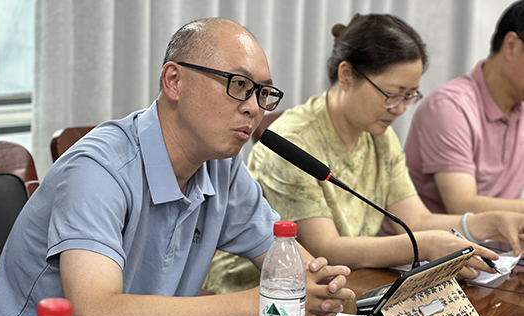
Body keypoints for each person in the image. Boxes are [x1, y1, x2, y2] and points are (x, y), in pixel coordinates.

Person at [0, 18, 355, 316]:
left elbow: (292, 265)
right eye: (239, 86)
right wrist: (258, 302)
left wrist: (327, 291)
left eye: (263, 93)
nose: (254, 108)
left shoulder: (221, 167)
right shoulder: (98, 168)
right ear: (174, 81)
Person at [204, 13, 524, 295]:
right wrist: (423, 246)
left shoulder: (377, 134)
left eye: (409, 96)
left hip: (341, 288)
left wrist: (488, 222)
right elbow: (323, 248)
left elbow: (416, 219)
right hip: (260, 296)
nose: (399, 109)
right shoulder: (295, 139)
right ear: (346, 76)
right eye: (392, 94)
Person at [405, 1, 524, 215]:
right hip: (439, 236)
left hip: (502, 237)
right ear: (511, 46)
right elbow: (463, 206)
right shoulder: (450, 107)